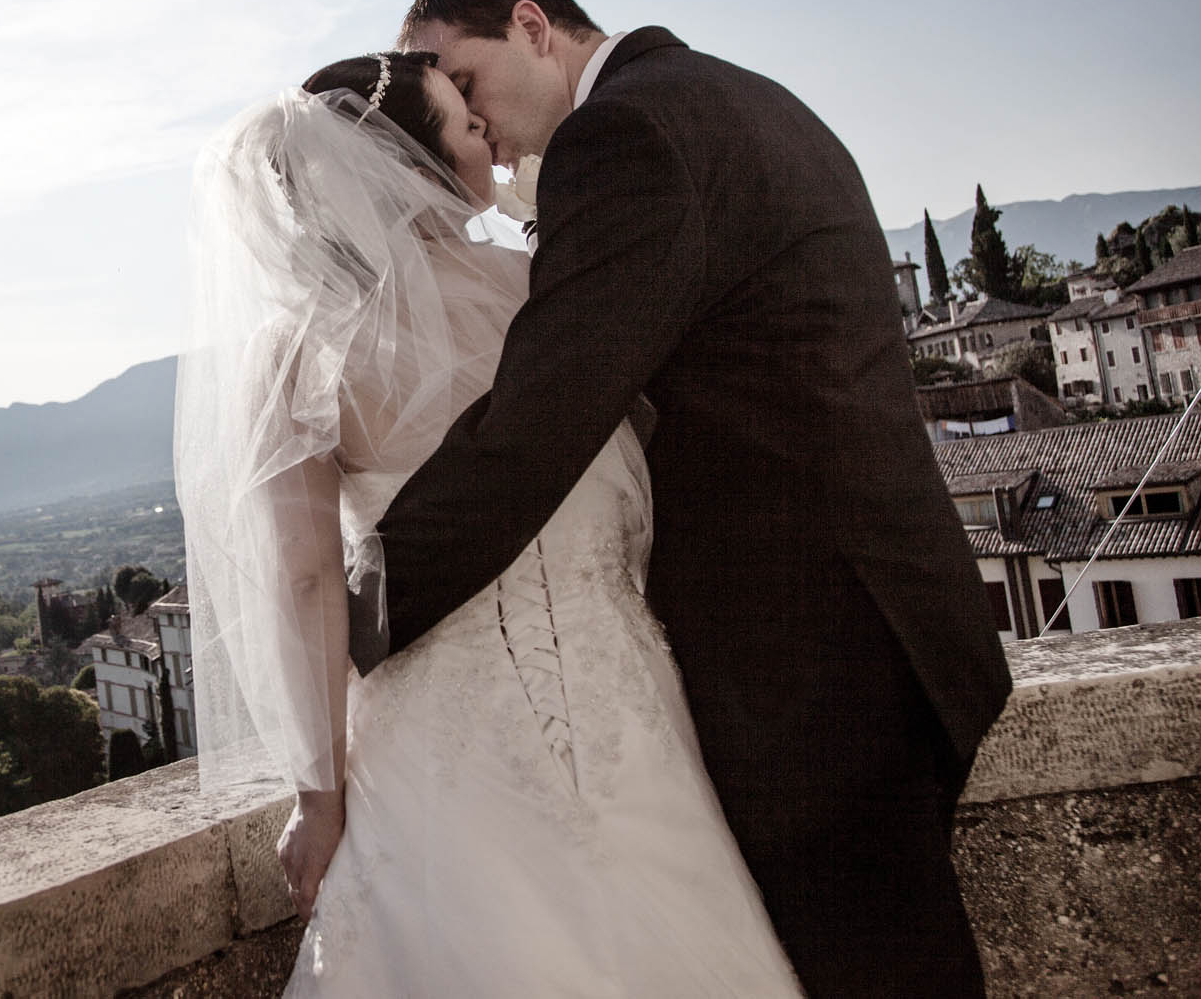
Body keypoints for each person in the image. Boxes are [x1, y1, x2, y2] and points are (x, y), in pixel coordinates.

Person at [359, 0, 1015, 997]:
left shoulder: (621, 137)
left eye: (466, 81)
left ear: (532, 25)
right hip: (884, 619)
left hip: (813, 665)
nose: (472, 123)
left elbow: (540, 417)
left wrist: (363, 604)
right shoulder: (737, 94)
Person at [178, 51, 802, 995]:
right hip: (622, 700)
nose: (486, 135)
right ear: (409, 163)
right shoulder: (542, 288)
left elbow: (305, 580)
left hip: (438, 735)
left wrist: (319, 795)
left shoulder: (298, 355)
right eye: (465, 123)